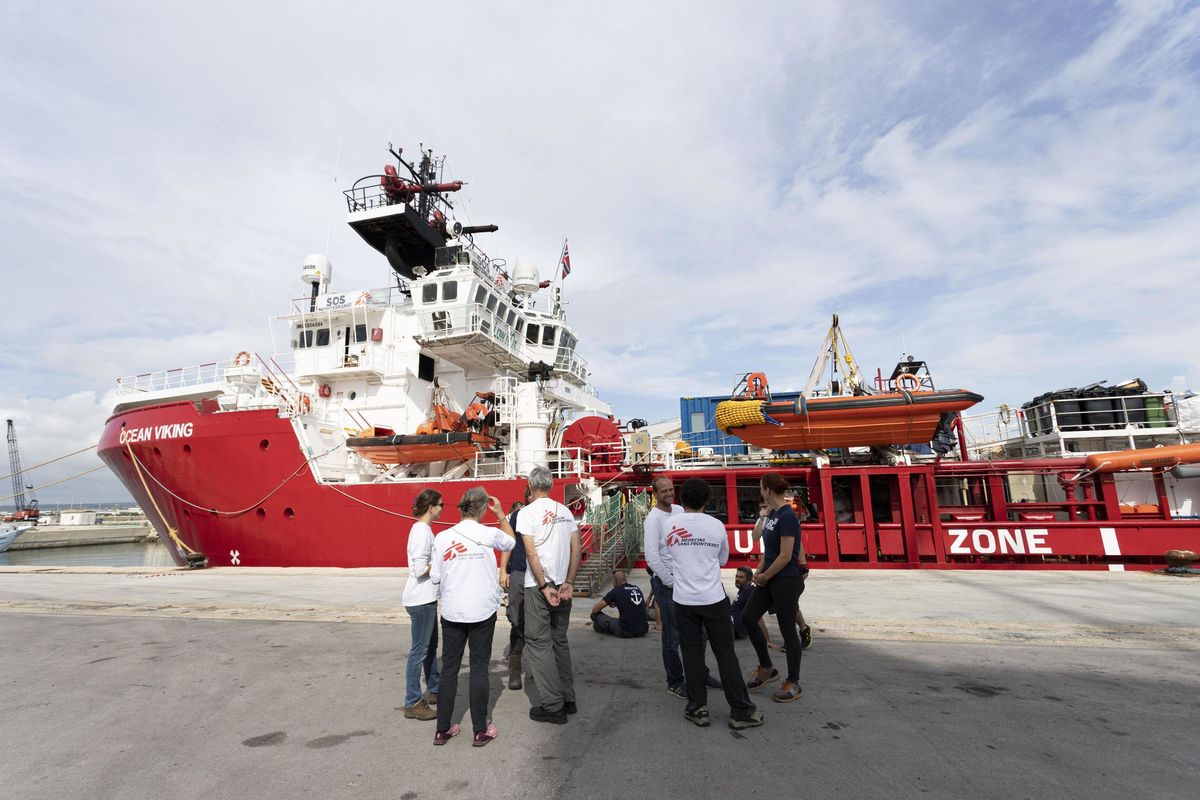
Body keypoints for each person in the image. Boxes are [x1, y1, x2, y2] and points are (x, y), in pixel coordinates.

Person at [669, 478, 763, 729]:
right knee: (725, 654)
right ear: (707, 501)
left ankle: (697, 708)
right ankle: (741, 711)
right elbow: (722, 560)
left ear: (682, 500)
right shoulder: (716, 525)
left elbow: (667, 556)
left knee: (691, 654)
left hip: (684, 599)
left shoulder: (670, 524)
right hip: (713, 598)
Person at [428, 487, 516, 747]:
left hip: (453, 611)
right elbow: (511, 542)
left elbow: (435, 576)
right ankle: (480, 730)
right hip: (481, 611)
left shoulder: (442, 537)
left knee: (449, 670)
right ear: (482, 508)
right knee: (479, 668)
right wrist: (501, 514)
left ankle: (442, 729)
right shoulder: (489, 534)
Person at [518, 466, 582, 725]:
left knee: (538, 642)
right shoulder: (565, 511)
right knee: (559, 641)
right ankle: (568, 698)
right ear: (551, 485)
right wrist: (569, 582)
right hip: (563, 583)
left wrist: (544, 586)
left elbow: (531, 553)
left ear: (531, 486)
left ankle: (553, 706)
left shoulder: (527, 512)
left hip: (539, 585)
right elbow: (577, 548)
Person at [743, 473, 807, 703]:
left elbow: (786, 555)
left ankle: (793, 682)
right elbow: (770, 550)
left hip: (785, 580)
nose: (760, 491)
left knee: (788, 630)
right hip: (769, 578)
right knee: (748, 617)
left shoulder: (787, 516)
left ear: (768, 490)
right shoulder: (772, 514)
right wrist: (759, 571)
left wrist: (766, 576)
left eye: (761, 488)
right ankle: (766, 667)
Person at [402, 489, 442, 721]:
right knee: (420, 650)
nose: (442, 508)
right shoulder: (421, 531)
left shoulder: (423, 530)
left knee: (430, 646)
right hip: (420, 599)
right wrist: (442, 567)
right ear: (431, 507)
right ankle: (412, 702)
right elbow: (419, 569)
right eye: (440, 504)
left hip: (426, 597)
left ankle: (434, 688)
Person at [499, 489, 531, 690]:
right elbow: (508, 543)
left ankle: (540, 667)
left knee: (541, 623)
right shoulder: (518, 515)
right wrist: (503, 570)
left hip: (542, 574)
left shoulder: (548, 515)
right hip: (520, 571)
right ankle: (515, 668)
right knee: (517, 620)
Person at [590, 569, 649, 637]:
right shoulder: (636, 588)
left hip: (626, 630)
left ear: (615, 581)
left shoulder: (615, 591)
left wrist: (609, 601)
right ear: (625, 579)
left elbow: (595, 609)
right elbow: (631, 602)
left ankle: (606, 628)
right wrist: (617, 602)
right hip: (643, 630)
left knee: (594, 615)